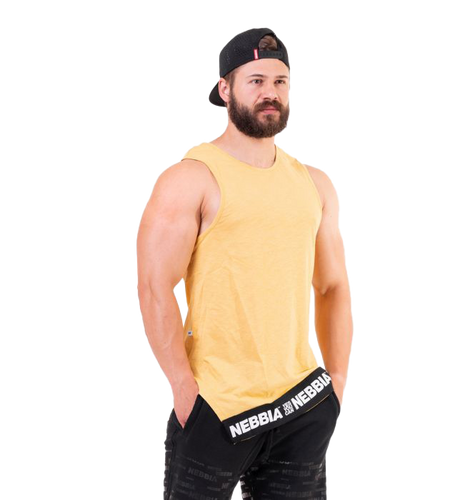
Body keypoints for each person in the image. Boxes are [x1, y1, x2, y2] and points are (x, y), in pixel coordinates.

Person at [137, 25, 354, 499]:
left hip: (302, 404)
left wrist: (336, 382)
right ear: (224, 89)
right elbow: (154, 286)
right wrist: (185, 391)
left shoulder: (314, 182)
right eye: (255, 81)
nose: (269, 93)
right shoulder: (191, 178)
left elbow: (333, 286)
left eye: (280, 81)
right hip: (217, 408)